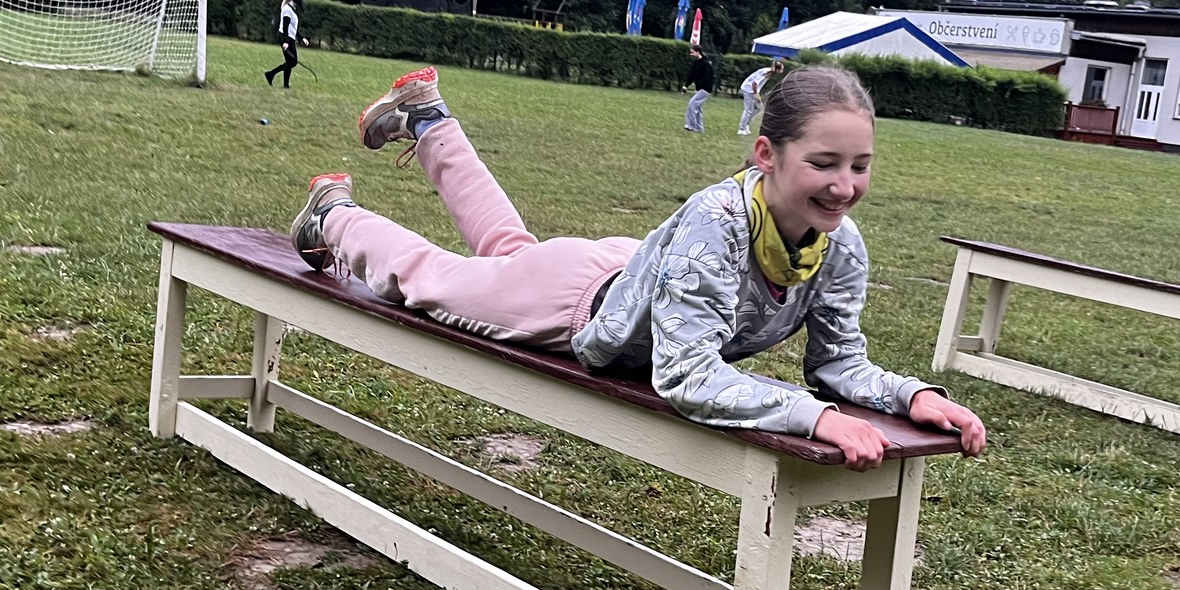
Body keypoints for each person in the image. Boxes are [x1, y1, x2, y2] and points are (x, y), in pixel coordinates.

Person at [287, 65, 988, 469]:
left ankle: (430, 120)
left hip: (632, 277)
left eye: (860, 166)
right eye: (824, 163)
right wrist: (815, 418)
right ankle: (333, 216)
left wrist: (910, 397)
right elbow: (687, 375)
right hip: (571, 304)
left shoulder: (839, 243)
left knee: (508, 252)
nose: (844, 186)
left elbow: (838, 363)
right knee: (428, 279)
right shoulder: (719, 219)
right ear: (766, 156)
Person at [265, 0, 307, 88]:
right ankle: (272, 74)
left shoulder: (293, 9)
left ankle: (282, 82)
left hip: (290, 38)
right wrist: (285, 42)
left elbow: (293, 28)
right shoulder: (287, 9)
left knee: (290, 62)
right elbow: (285, 26)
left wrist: (301, 38)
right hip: (285, 38)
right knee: (292, 62)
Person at [739, 58, 786, 137]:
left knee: (759, 108)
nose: (781, 71)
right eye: (781, 69)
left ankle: (746, 123)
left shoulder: (769, 72)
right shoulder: (765, 73)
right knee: (748, 110)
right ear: (777, 69)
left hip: (753, 90)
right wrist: (756, 94)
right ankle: (741, 129)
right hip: (748, 90)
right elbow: (754, 83)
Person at [683, 47, 717, 133]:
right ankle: (699, 128)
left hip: (705, 89)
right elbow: (691, 75)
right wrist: (685, 86)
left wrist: (704, 87)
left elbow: (709, 77)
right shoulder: (696, 63)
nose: (691, 54)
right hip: (699, 88)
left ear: (698, 52)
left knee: (692, 104)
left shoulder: (706, 64)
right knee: (698, 108)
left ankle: (691, 125)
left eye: (692, 52)